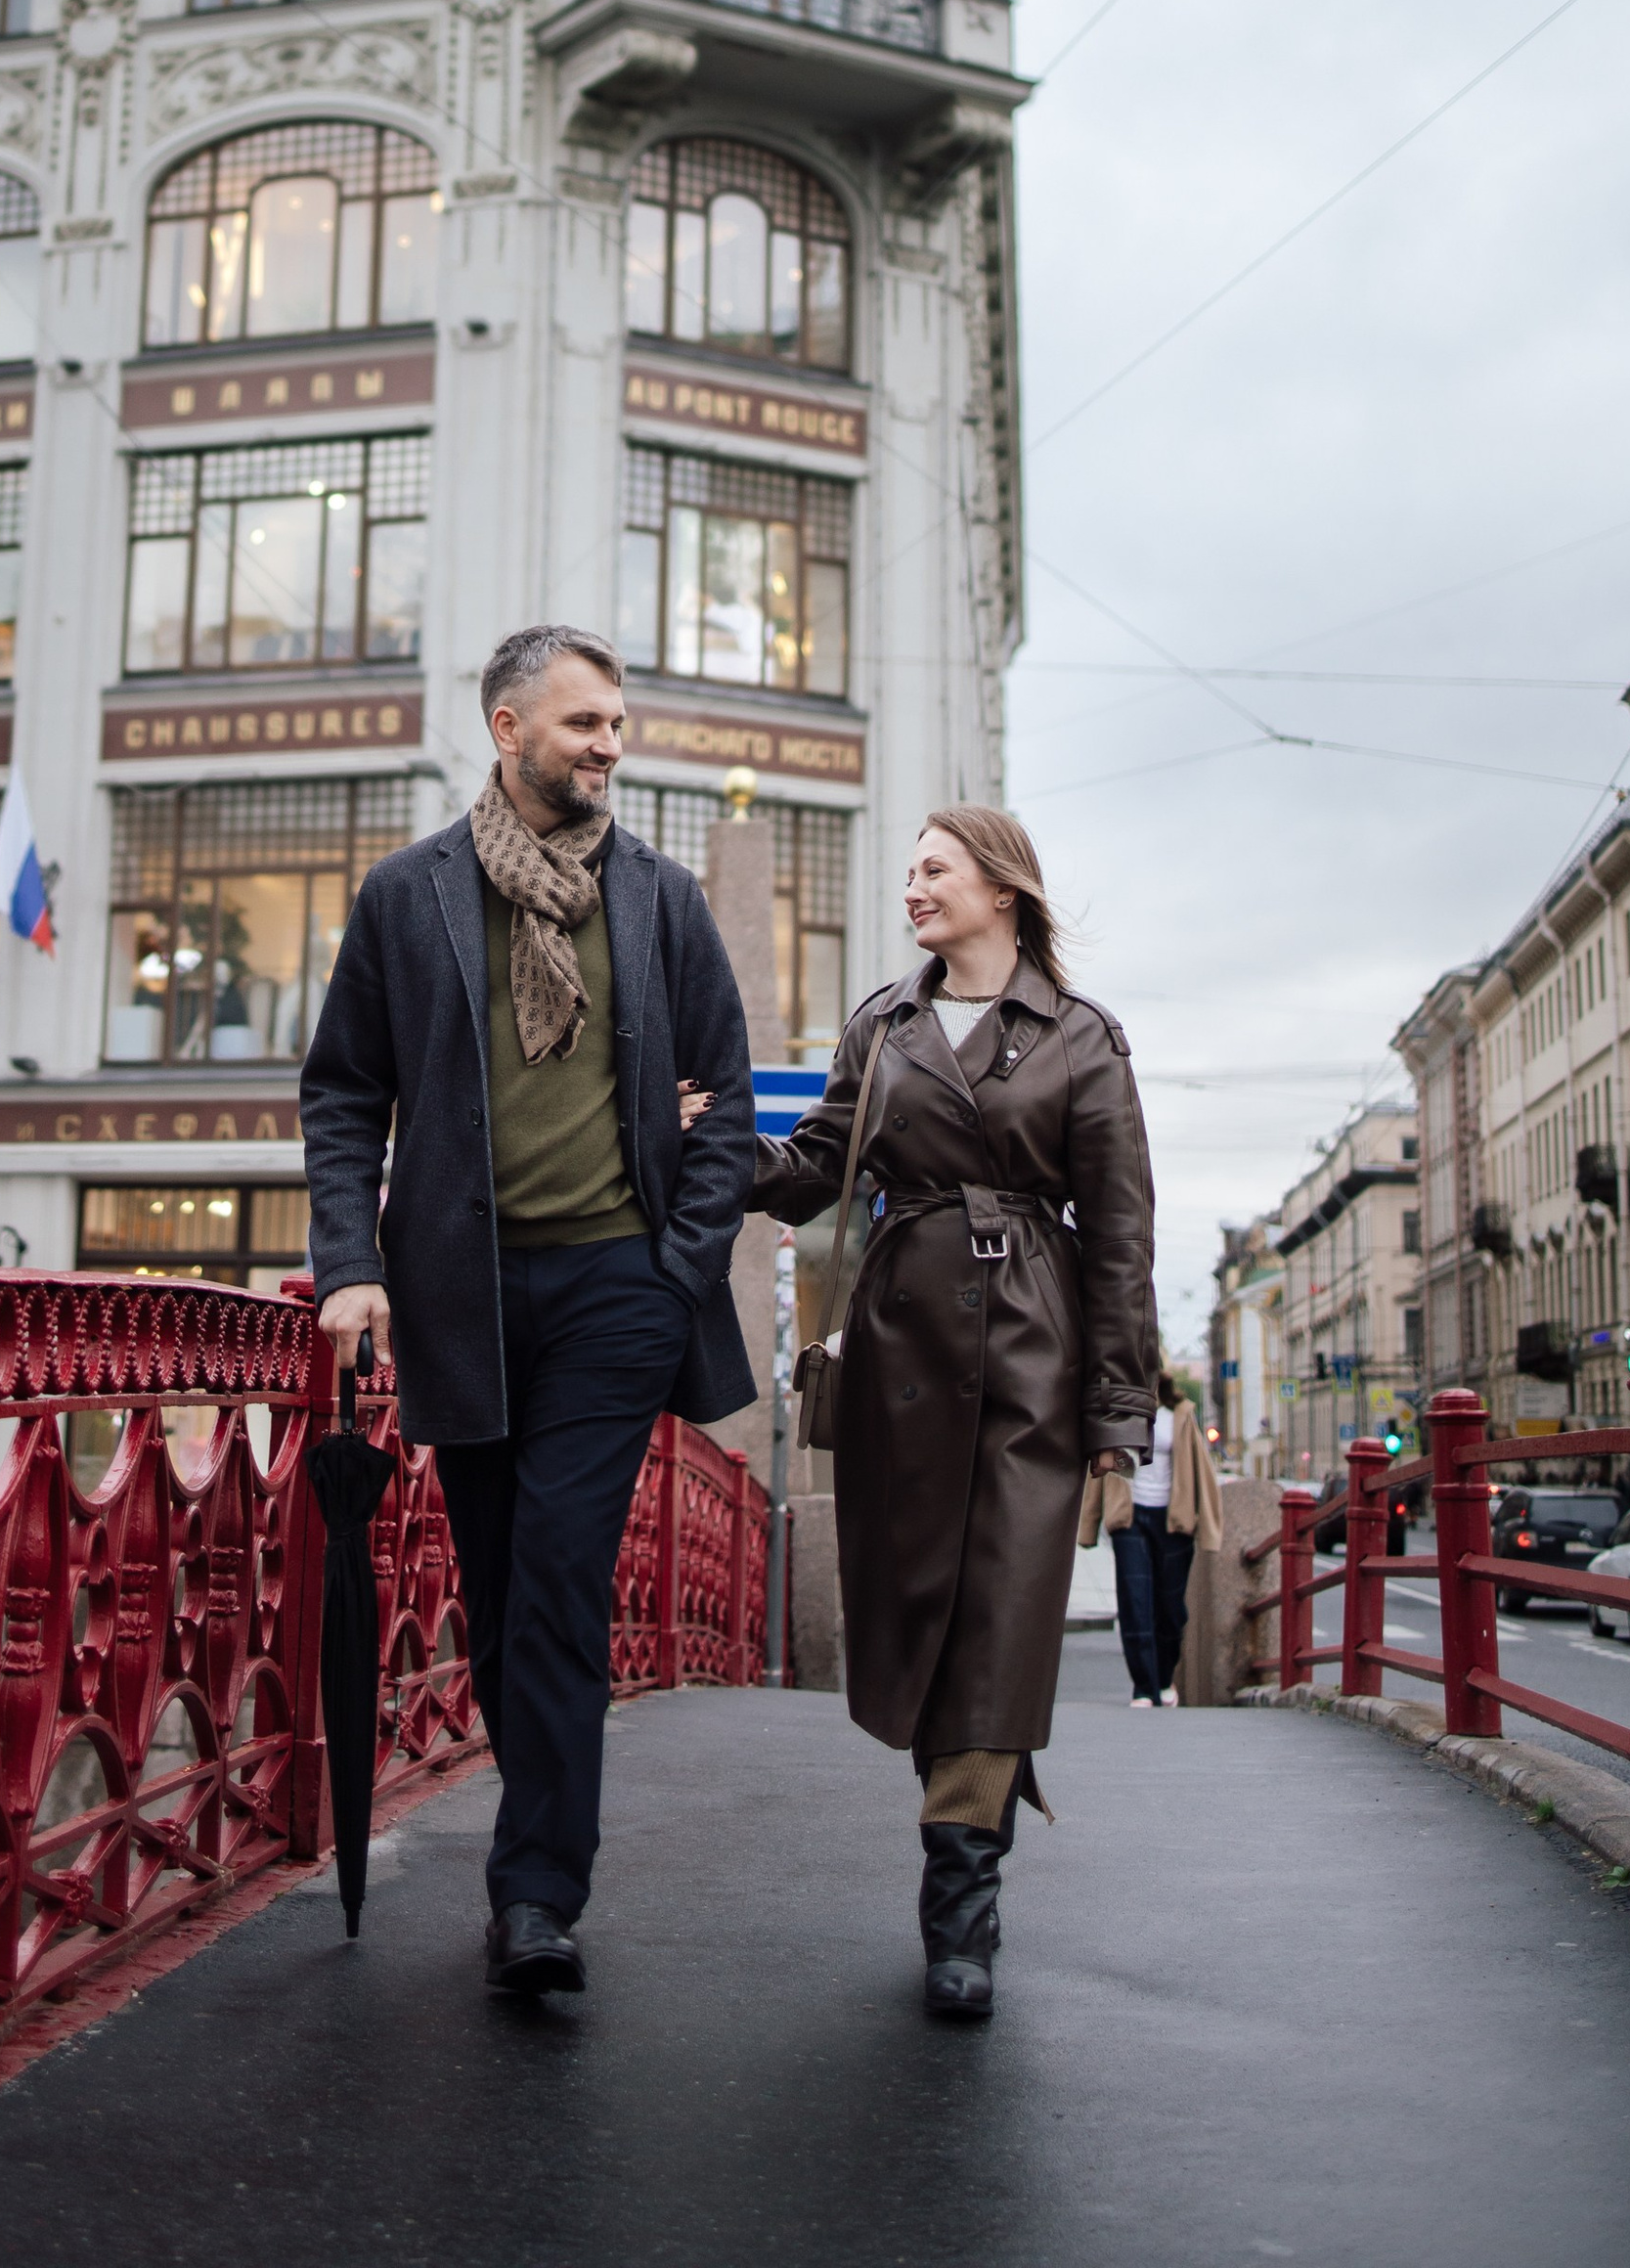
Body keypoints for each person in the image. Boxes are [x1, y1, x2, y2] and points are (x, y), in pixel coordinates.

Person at [300, 624, 756, 1998]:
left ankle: (537, 1892)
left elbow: (726, 1103)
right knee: (497, 1590)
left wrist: (675, 1266)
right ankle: (533, 1854)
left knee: (557, 1577)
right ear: (507, 729)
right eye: (582, 724)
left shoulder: (663, 902)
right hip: (460, 1292)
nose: (608, 745)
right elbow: (341, 1096)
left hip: (618, 1288)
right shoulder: (409, 897)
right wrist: (349, 1265)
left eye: (617, 723)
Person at [742, 804, 1156, 2019]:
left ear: (1002, 890)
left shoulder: (1082, 1039)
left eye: (934, 871)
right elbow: (818, 1163)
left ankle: (960, 1905)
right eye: (912, 872)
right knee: (918, 1606)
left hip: (1033, 1350)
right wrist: (701, 1153)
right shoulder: (884, 1023)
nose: (912, 889)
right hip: (897, 1352)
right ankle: (958, 1827)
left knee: (1000, 1614)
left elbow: (1122, 1241)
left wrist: (1117, 1424)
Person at [1080, 1365, 1223, 1705]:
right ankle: (1144, 1688)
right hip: (1130, 1517)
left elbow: (1201, 1469)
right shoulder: (1120, 1413)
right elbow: (1098, 1469)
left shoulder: (1181, 1413)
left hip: (1174, 1521)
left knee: (1171, 1610)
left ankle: (1163, 1681)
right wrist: (1089, 1522)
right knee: (1135, 1604)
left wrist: (1209, 1527)